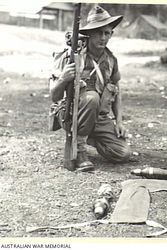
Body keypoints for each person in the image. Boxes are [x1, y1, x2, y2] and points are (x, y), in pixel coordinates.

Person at [49, 5, 131, 171]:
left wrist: (119, 121)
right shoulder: (71, 56)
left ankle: (88, 137)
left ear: (111, 34)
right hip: (73, 114)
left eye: (107, 33)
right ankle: (79, 149)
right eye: (98, 33)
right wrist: (64, 78)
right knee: (91, 97)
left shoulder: (111, 60)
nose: (103, 37)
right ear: (89, 34)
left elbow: (117, 90)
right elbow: (54, 96)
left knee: (123, 153)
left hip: (99, 117)